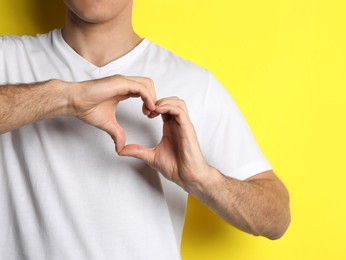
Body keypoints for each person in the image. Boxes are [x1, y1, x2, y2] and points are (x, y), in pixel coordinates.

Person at [0, 0, 290, 259]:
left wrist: (201, 180)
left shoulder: (195, 84)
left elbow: (276, 218)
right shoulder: (6, 59)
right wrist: (66, 97)